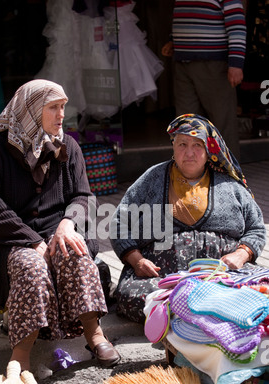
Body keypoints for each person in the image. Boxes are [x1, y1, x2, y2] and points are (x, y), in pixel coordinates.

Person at [0, 79, 120, 371]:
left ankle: (95, 334)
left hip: (57, 230)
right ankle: (21, 355)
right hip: (9, 241)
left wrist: (67, 224)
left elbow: (83, 196)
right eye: (53, 108)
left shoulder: (68, 146)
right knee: (31, 265)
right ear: (30, 110)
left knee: (74, 251)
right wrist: (33, 241)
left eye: (63, 107)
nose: (61, 115)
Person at [110, 114, 266, 323]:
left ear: (209, 149)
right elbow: (119, 222)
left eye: (197, 145)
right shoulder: (152, 178)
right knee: (132, 296)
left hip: (220, 274)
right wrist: (136, 260)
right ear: (173, 146)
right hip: (163, 278)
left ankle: (186, 311)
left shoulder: (229, 184)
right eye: (182, 144)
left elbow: (256, 228)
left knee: (261, 289)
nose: (189, 152)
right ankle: (207, 310)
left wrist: (242, 253)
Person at [161, 0, 246, 160]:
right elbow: (185, 18)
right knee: (186, 122)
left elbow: (237, 26)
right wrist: (174, 40)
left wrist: (236, 63)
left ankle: (228, 173)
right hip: (183, 61)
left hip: (214, 63)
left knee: (222, 121)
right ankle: (191, 169)